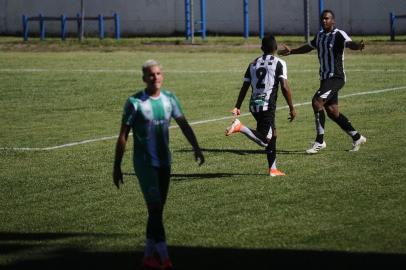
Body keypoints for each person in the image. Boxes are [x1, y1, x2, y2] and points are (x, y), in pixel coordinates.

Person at [113, 59, 204, 270]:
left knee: (157, 210)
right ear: (144, 78)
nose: (155, 78)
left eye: (158, 74)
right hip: (145, 164)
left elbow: (183, 124)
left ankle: (147, 256)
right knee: (154, 208)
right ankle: (164, 258)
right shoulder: (135, 103)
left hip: (165, 162)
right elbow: (123, 136)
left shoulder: (170, 99)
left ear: (162, 76)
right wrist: (117, 165)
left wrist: (196, 147)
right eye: (151, 75)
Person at [278, 9, 366, 154]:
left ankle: (320, 141)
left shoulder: (339, 34)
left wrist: (358, 46)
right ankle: (357, 137)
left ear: (333, 21)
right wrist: (292, 51)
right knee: (332, 111)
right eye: (322, 19)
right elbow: (309, 47)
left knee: (317, 102)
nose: (324, 21)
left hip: (336, 77)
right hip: (325, 78)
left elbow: (350, 44)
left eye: (327, 18)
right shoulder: (319, 36)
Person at [225, 35, 296, 177]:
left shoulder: (252, 63)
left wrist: (237, 105)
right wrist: (291, 107)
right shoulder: (279, 63)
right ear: (275, 48)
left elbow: (245, 86)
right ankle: (240, 127)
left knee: (273, 134)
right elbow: (284, 86)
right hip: (267, 106)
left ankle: (273, 169)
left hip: (254, 105)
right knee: (265, 140)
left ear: (262, 48)